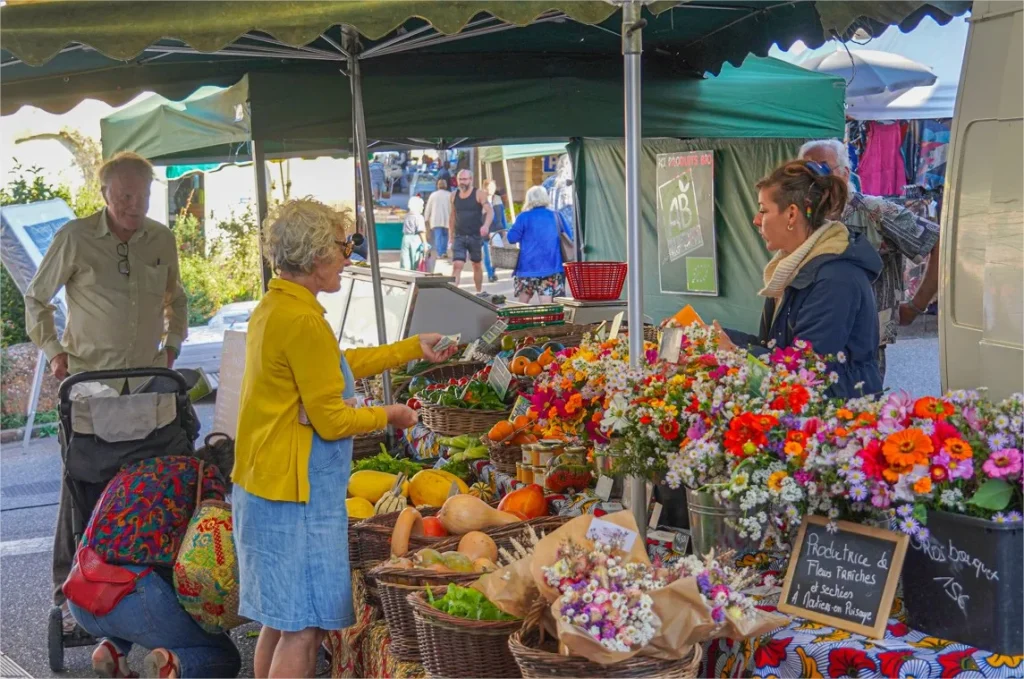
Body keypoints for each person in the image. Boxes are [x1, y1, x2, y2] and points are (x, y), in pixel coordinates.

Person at [231, 198, 458, 679]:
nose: (347, 256)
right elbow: (332, 420)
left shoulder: (275, 307)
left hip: (263, 484)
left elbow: (333, 368)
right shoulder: (302, 318)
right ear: (315, 256)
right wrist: (391, 414)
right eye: (342, 246)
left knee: (280, 618)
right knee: (305, 628)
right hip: (295, 494)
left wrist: (409, 349)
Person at [23, 151, 189, 634]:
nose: (134, 205)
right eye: (124, 196)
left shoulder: (161, 238)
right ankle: (68, 594)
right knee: (82, 485)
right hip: (88, 386)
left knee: (147, 488)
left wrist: (172, 345)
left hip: (145, 386)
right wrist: (55, 352)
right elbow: (37, 298)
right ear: (105, 195)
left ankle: (148, 584)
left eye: (142, 195)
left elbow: (175, 298)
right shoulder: (75, 237)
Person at [67, 436, 240, 679]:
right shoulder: (207, 479)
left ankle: (112, 650)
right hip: (135, 598)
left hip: (82, 594)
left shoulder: (142, 468)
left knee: (137, 573)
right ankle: (174, 664)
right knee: (222, 656)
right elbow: (208, 556)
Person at [714, 160, 883, 398]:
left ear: (791, 214)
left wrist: (732, 353)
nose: (756, 220)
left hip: (838, 418)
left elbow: (805, 369)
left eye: (763, 210)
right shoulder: (792, 268)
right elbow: (776, 347)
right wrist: (716, 338)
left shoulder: (836, 279)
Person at [799, 139, 940, 379]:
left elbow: (937, 242)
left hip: (862, 341)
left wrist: (917, 305)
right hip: (812, 336)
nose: (814, 176)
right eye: (806, 170)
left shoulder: (874, 212)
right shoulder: (802, 217)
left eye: (823, 167)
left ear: (844, 174)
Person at [505, 185, 572, 304]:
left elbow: (511, 238)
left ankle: (518, 321)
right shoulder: (556, 216)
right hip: (552, 267)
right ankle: (547, 322)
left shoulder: (523, 217)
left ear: (529, 199)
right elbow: (569, 237)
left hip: (527, 268)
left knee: (521, 304)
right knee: (547, 303)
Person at [448, 170, 494, 297]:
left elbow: (490, 212)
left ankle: (478, 292)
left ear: (471, 179)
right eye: (460, 179)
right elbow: (452, 216)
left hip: (475, 235)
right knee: (457, 264)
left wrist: (486, 226)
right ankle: (452, 293)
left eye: (465, 179)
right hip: (459, 235)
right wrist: (450, 235)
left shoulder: (479, 194)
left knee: (476, 264)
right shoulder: (453, 195)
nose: (462, 182)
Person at [482, 180, 507, 283]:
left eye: (493, 187)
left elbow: (502, 214)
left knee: (496, 253)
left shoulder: (497, 199)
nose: (491, 189)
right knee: (487, 253)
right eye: (489, 187)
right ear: (485, 188)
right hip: (486, 230)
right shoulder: (481, 201)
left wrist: (505, 228)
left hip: (497, 229)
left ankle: (493, 271)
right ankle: (490, 274)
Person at [424, 178, 452, 259]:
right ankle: (444, 251)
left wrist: (426, 218)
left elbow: (428, 208)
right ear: (446, 186)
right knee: (445, 236)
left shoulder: (433, 195)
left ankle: (439, 253)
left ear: (438, 186)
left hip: (436, 219)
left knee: (438, 236)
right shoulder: (449, 195)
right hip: (447, 219)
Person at [400, 195, 429, 270]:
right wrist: (425, 243)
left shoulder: (407, 215)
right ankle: (412, 276)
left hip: (406, 237)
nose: (423, 207)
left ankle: (405, 275)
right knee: (415, 259)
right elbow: (421, 231)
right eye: (422, 206)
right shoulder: (419, 217)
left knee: (405, 259)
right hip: (415, 239)